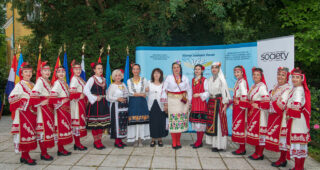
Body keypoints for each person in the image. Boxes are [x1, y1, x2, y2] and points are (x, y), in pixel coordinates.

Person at [9, 63, 37, 165]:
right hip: (23, 115)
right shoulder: (19, 85)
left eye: (30, 72)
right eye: (26, 72)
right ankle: (26, 156)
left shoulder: (33, 84)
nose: (28, 74)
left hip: (32, 113)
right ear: (22, 73)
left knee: (30, 134)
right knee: (25, 134)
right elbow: (11, 98)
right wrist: (25, 100)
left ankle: (24, 156)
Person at [161, 61, 192, 149]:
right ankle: (174, 142)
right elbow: (164, 89)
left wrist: (189, 102)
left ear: (180, 68)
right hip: (172, 101)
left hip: (182, 101)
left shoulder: (185, 77)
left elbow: (189, 90)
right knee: (174, 121)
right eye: (174, 67)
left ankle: (178, 141)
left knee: (180, 122)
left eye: (177, 67)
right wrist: (165, 103)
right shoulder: (169, 78)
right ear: (172, 69)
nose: (176, 69)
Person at [265, 67, 291, 167]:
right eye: (279, 74)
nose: (280, 76)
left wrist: (271, 103)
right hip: (274, 115)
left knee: (282, 138)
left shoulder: (287, 88)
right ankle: (281, 159)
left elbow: (281, 104)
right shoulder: (276, 86)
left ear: (287, 77)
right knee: (279, 138)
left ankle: (283, 160)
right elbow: (271, 99)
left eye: (283, 75)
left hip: (281, 116)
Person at [286, 68, 311, 170]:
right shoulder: (298, 88)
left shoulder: (299, 90)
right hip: (299, 121)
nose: (294, 79)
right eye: (293, 77)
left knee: (298, 145)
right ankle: (299, 167)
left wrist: (289, 114)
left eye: (297, 77)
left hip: (297, 121)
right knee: (300, 146)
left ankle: (298, 168)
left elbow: (296, 106)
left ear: (302, 79)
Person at [30, 61, 55, 161]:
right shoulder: (40, 81)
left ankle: (45, 152)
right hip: (43, 110)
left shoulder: (47, 81)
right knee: (43, 131)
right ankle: (43, 153)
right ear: (41, 71)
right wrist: (41, 102)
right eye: (45, 70)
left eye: (48, 70)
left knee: (47, 130)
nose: (47, 72)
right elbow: (34, 94)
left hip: (49, 110)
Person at [84, 62, 110, 150]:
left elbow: (106, 91)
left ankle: (100, 141)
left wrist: (106, 97)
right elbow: (85, 90)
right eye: (98, 68)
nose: (100, 70)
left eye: (101, 68)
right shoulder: (92, 79)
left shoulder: (104, 79)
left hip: (103, 103)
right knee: (95, 124)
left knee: (102, 124)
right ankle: (96, 142)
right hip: (95, 105)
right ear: (94, 70)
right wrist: (94, 98)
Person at [205, 62, 231, 152]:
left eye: (216, 68)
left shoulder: (221, 79)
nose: (214, 69)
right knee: (212, 124)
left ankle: (219, 145)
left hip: (219, 103)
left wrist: (225, 104)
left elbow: (225, 92)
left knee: (219, 124)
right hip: (211, 102)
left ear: (219, 69)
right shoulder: (210, 79)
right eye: (212, 68)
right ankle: (214, 144)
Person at [247, 67, 270, 160]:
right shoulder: (254, 86)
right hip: (253, 113)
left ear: (261, 76)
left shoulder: (262, 86)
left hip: (260, 114)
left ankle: (260, 153)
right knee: (256, 133)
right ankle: (256, 152)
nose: (255, 76)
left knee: (260, 133)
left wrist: (259, 105)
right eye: (254, 75)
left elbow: (267, 100)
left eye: (258, 75)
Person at [50, 66, 73, 156]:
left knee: (64, 128)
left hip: (66, 109)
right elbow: (52, 96)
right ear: (56, 74)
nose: (61, 73)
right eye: (59, 72)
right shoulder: (57, 83)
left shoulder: (64, 83)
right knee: (60, 129)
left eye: (63, 71)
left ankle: (62, 148)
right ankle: (60, 149)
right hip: (61, 110)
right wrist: (62, 101)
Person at [127, 64, 150, 146]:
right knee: (134, 121)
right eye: (134, 69)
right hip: (133, 102)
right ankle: (134, 139)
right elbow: (130, 92)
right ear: (132, 70)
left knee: (141, 121)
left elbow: (146, 92)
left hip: (142, 103)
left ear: (140, 70)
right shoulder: (129, 81)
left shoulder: (144, 80)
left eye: (137, 69)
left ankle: (140, 139)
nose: (136, 71)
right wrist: (141, 94)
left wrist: (146, 91)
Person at [106, 69, 129, 148]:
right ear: (113, 77)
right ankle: (117, 141)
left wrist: (125, 97)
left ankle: (121, 140)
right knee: (117, 124)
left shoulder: (123, 84)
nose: (118, 77)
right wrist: (117, 99)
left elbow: (127, 94)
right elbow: (108, 97)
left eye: (119, 75)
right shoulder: (112, 86)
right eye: (116, 75)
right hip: (116, 108)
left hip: (124, 108)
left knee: (122, 124)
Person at [69, 61, 87, 151]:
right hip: (76, 104)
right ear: (73, 70)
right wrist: (80, 95)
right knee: (77, 123)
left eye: (79, 69)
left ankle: (78, 143)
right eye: (76, 69)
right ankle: (77, 143)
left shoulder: (79, 78)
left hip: (81, 103)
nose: (78, 70)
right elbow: (71, 93)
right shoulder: (74, 79)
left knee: (80, 123)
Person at [189, 64, 209, 149]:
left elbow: (208, 92)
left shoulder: (205, 80)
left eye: (198, 69)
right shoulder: (193, 80)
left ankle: (199, 142)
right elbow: (191, 92)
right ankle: (198, 141)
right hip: (194, 103)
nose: (197, 71)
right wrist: (190, 102)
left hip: (201, 103)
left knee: (200, 123)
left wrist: (199, 94)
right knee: (197, 123)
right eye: (195, 69)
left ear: (202, 71)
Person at [231, 65, 249, 155]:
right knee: (238, 125)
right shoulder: (239, 81)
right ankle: (241, 147)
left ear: (242, 73)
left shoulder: (242, 82)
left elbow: (244, 94)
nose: (236, 74)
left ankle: (242, 149)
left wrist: (240, 103)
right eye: (235, 72)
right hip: (237, 107)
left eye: (238, 72)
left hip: (240, 108)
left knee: (240, 126)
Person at [148, 68, 168, 147]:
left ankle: (160, 139)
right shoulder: (149, 83)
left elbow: (166, 95)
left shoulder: (164, 84)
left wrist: (166, 105)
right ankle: (153, 139)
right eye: (155, 73)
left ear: (161, 75)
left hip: (161, 105)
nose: (156, 75)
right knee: (152, 123)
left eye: (158, 73)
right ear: (153, 75)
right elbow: (145, 93)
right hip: (151, 105)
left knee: (160, 122)